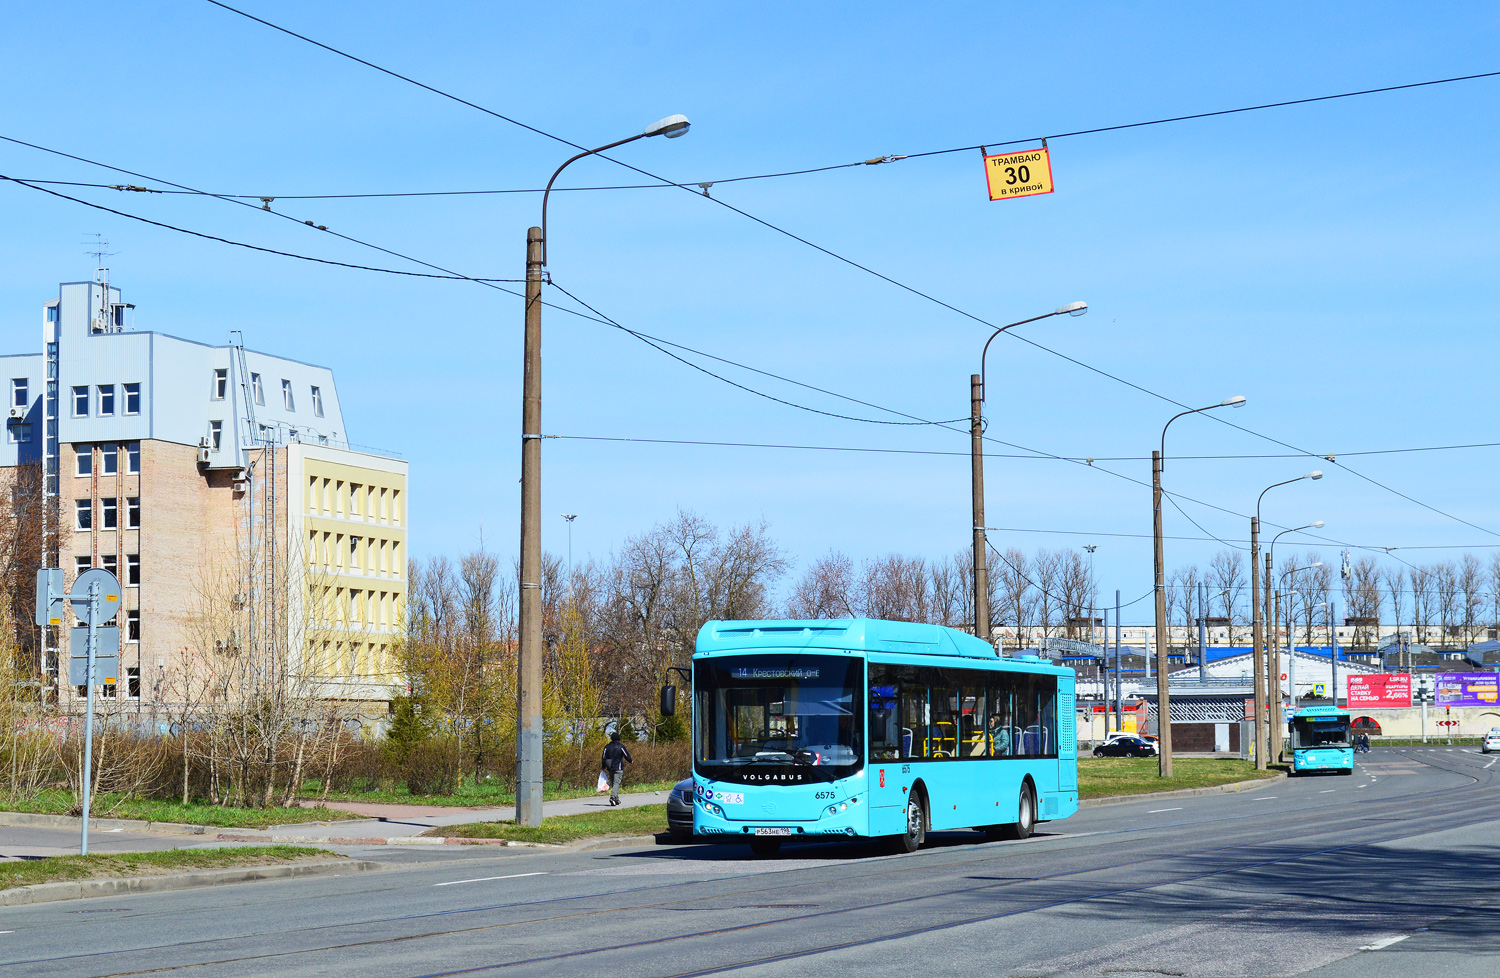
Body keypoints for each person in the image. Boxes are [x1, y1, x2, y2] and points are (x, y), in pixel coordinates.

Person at [602, 729, 633, 806]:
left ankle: (616, 799)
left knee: (614, 783)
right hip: (618, 768)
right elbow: (626, 755)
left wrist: (603, 766)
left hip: (610, 768)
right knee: (616, 783)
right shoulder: (620, 746)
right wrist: (631, 761)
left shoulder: (607, 747)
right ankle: (612, 797)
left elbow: (603, 757)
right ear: (618, 739)